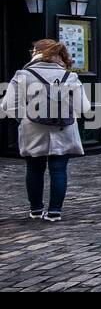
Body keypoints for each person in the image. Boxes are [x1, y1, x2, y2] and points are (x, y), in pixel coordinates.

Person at [0, 39, 91, 222]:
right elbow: (84, 108)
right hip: (63, 127)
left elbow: (8, 105)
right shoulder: (70, 77)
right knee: (59, 169)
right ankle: (55, 212)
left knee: (34, 168)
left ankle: (35, 210)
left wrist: (26, 118)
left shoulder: (23, 75)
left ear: (37, 53)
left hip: (33, 128)